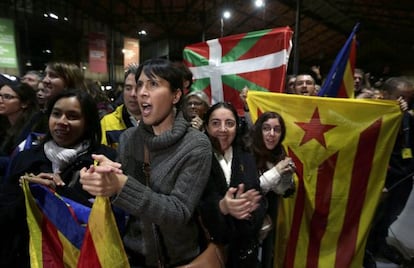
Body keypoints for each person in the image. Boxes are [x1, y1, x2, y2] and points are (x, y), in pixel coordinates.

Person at [79, 58, 212, 267]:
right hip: (132, 255)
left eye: (153, 84)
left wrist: (122, 184)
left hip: (179, 259)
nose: (141, 92)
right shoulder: (129, 139)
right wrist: (103, 178)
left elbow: (179, 213)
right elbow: (122, 202)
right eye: (139, 84)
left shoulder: (196, 145)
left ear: (176, 95)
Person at [2, 89, 117, 267]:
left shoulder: (103, 160)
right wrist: (27, 192)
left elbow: (110, 222)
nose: (62, 122)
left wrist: (58, 194)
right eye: (56, 114)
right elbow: (5, 216)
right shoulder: (25, 158)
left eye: (72, 116)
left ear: (88, 123)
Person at [199, 102, 266, 268]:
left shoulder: (246, 155)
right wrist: (221, 207)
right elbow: (193, 206)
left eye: (229, 123)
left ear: (237, 127)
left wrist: (249, 208)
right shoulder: (196, 158)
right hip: (210, 254)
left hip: (245, 255)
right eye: (215, 123)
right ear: (206, 127)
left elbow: (259, 199)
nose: (223, 129)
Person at [365, 77, 414, 266]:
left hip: (404, 177)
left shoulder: (408, 116)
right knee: (373, 216)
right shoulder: (373, 114)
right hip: (381, 177)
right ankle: (366, 249)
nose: (405, 102)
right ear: (384, 95)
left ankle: (379, 244)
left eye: (410, 99)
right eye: (401, 97)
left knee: (391, 215)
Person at [245, 111, 296, 268]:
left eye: (277, 130)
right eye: (266, 128)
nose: (272, 134)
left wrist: (287, 176)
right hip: (247, 222)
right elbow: (251, 189)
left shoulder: (279, 153)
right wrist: (277, 171)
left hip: (269, 219)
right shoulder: (247, 151)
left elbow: (280, 191)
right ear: (259, 130)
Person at [0, 81, 38, 180]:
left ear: (24, 103)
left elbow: (19, 162)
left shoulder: (34, 126)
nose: (0, 100)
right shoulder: (4, 123)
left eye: (7, 97)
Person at [100, 64, 141, 148]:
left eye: (138, 88)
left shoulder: (158, 121)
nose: (133, 94)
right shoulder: (107, 123)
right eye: (128, 88)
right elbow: (100, 158)